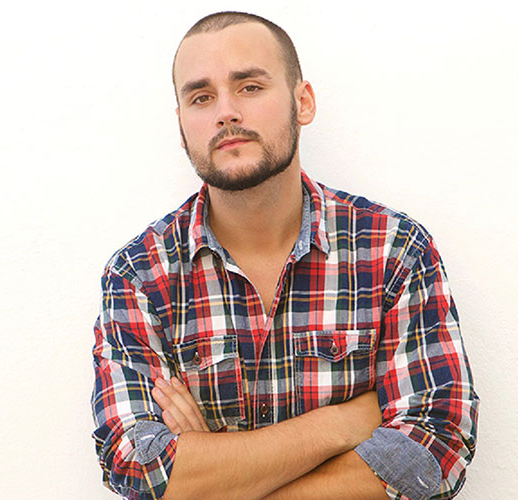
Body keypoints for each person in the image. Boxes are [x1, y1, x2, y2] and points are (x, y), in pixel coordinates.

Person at [90, 11, 479, 500]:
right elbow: (139, 469)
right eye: (201, 97)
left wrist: (216, 472)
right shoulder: (140, 275)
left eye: (250, 87)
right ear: (182, 124)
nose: (225, 112)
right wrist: (339, 425)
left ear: (303, 102)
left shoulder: (392, 250)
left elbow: (431, 453)